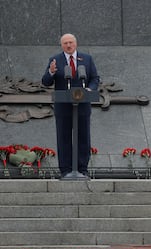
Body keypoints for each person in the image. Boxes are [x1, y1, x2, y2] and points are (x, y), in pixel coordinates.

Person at [42, 33, 100, 178]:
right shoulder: (55, 60)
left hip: (82, 104)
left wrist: (90, 89)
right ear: (61, 45)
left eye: (71, 43)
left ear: (76, 43)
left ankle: (82, 169)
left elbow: (95, 78)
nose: (68, 45)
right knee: (64, 137)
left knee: (83, 137)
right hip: (63, 106)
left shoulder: (87, 59)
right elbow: (45, 82)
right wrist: (51, 72)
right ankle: (66, 170)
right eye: (65, 43)